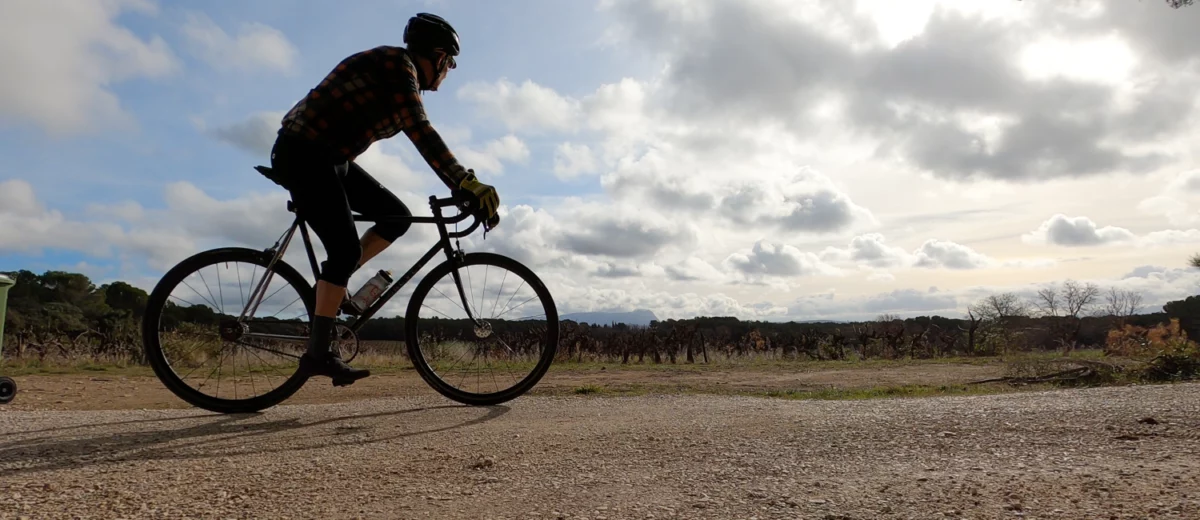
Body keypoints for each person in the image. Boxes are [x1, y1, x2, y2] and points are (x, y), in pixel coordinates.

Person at [268, 13, 500, 386]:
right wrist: (465, 182)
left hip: (329, 158)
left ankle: (331, 288)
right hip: (304, 152)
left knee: (396, 217)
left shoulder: (399, 74)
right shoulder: (397, 66)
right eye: (451, 63)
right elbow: (420, 130)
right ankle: (318, 354)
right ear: (439, 57)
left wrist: (462, 185)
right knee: (343, 253)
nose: (450, 71)